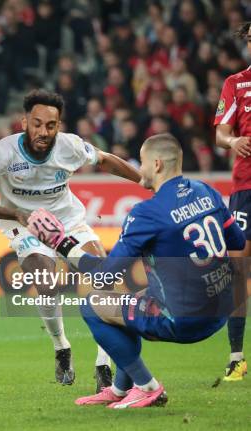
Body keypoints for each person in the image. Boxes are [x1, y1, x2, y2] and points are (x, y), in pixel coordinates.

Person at [28, 133, 246, 408]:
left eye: (141, 162)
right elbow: (237, 241)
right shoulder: (207, 190)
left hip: (186, 319)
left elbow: (105, 275)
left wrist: (63, 244)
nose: (139, 169)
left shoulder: (147, 213)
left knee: (92, 305)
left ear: (156, 165)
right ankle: (120, 388)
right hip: (222, 309)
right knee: (129, 301)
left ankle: (147, 386)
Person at [0, 89, 142, 391]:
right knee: (46, 280)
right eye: (38, 124)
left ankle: (103, 365)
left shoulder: (69, 146)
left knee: (104, 278)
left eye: (51, 125)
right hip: (24, 224)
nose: (44, 131)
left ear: (59, 125)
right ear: (24, 122)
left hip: (68, 221)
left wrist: (143, 180)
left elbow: (105, 160)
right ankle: (61, 347)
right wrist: (15, 214)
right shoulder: (2, 153)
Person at [213, 21, 251, 382]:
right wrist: (232, 142)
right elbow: (221, 132)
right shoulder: (235, 83)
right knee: (239, 271)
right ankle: (237, 358)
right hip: (246, 187)